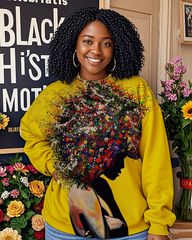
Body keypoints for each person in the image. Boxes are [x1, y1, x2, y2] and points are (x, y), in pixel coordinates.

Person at [20, 7, 176, 240]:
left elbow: (156, 159)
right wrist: (55, 165)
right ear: (74, 44)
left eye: (106, 43)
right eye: (87, 41)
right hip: (64, 227)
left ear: (117, 48)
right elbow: (33, 137)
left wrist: (159, 223)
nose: (96, 50)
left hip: (130, 228)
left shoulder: (136, 90)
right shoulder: (54, 94)